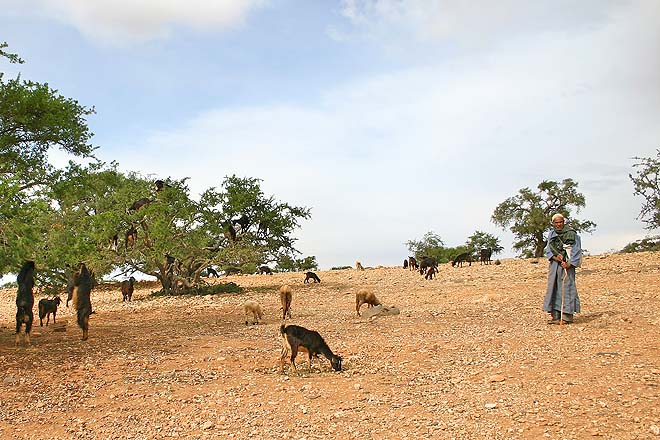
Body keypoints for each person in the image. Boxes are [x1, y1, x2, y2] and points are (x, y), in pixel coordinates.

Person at [543, 213, 582, 324]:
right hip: (555, 265)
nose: (559, 224)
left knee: (566, 288)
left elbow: (576, 249)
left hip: (566, 266)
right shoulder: (551, 234)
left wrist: (570, 263)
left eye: (560, 222)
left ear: (563, 222)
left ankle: (566, 317)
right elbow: (549, 249)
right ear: (553, 223)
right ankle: (555, 315)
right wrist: (555, 257)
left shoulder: (571, 234)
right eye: (556, 222)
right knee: (554, 288)